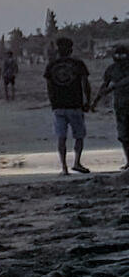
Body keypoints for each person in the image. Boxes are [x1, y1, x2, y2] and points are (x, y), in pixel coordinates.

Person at [44, 36, 91, 175]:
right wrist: (87, 100)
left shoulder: (52, 65)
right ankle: (77, 162)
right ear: (70, 49)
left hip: (59, 105)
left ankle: (64, 167)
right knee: (79, 135)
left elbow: (49, 87)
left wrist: (52, 102)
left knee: (61, 137)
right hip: (75, 104)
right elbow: (85, 84)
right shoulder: (78, 64)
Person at [91, 43, 129, 170]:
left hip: (122, 104)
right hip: (120, 106)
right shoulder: (111, 69)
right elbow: (104, 85)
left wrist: (112, 87)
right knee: (123, 135)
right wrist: (96, 101)